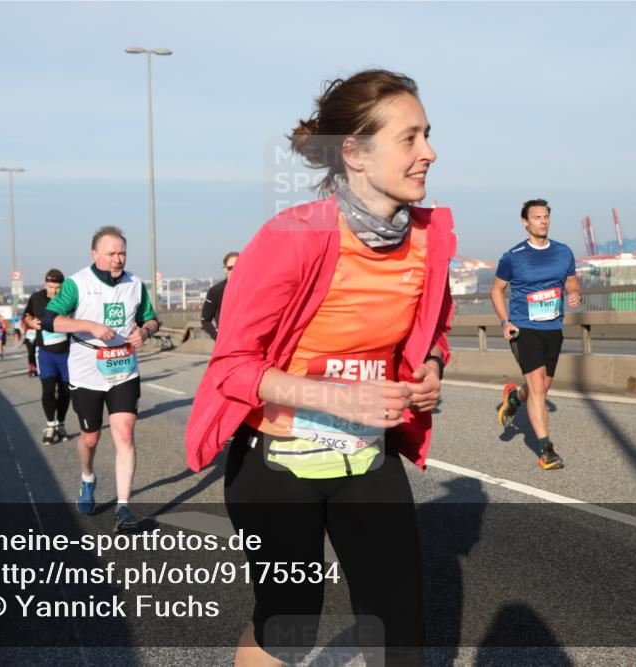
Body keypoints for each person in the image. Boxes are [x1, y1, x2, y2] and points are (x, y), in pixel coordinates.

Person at [186, 69, 454, 666]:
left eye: (427, 135)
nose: (429, 153)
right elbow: (231, 367)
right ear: (354, 153)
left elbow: (433, 328)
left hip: (367, 457)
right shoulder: (291, 238)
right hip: (276, 464)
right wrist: (337, 398)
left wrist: (430, 366)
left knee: (402, 631)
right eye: (409, 139)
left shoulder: (427, 241)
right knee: (289, 629)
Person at [42, 227, 160, 533]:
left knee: (124, 433)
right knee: (90, 437)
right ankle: (87, 477)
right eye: (111, 254)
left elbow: (151, 318)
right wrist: (89, 326)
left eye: (122, 253)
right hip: (86, 371)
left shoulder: (135, 284)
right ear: (95, 255)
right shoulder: (77, 284)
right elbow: (49, 318)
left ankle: (123, 508)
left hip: (123, 368)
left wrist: (144, 331)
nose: (118, 259)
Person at [492, 199, 581, 470]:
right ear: (525, 223)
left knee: (540, 387)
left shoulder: (564, 251)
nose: (543, 221)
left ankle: (514, 397)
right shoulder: (512, 256)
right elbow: (496, 290)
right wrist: (505, 321)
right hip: (524, 328)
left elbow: (570, 280)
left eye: (546, 216)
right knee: (539, 388)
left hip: (553, 328)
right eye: (537, 217)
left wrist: (574, 291)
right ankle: (546, 450)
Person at [23, 269, 72, 444]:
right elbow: (27, 315)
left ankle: (61, 424)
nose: (54, 291)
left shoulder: (68, 298)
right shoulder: (37, 298)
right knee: (49, 390)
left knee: (66, 392)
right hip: (45, 352)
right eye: (51, 287)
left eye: (57, 288)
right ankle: (50, 426)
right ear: (45, 284)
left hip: (66, 352)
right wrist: (30, 322)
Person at [200, 251, 239, 341]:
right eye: (230, 268)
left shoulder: (251, 289)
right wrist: (217, 336)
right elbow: (205, 320)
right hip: (226, 345)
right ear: (225, 269)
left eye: (238, 267)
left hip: (249, 344)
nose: (234, 270)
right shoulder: (215, 291)